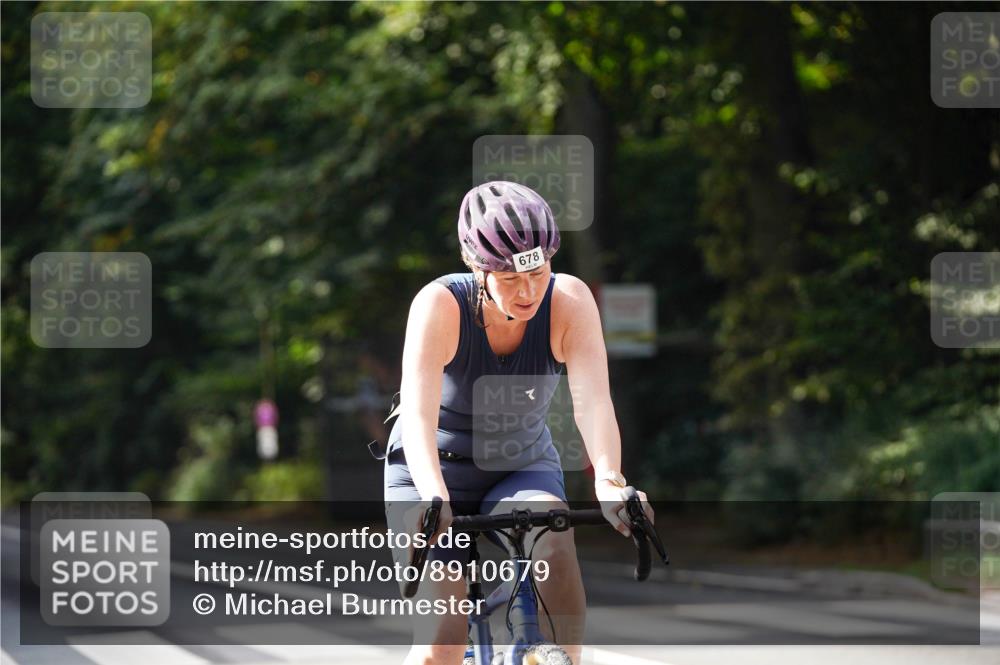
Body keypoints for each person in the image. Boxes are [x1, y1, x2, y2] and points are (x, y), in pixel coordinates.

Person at [383, 180, 653, 665]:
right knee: (440, 642)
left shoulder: (568, 302)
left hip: (518, 465)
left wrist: (611, 481)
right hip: (429, 470)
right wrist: (433, 497)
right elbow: (418, 416)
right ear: (477, 268)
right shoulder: (440, 305)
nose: (528, 292)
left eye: (539, 273)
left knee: (554, 540)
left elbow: (593, 402)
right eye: (509, 280)